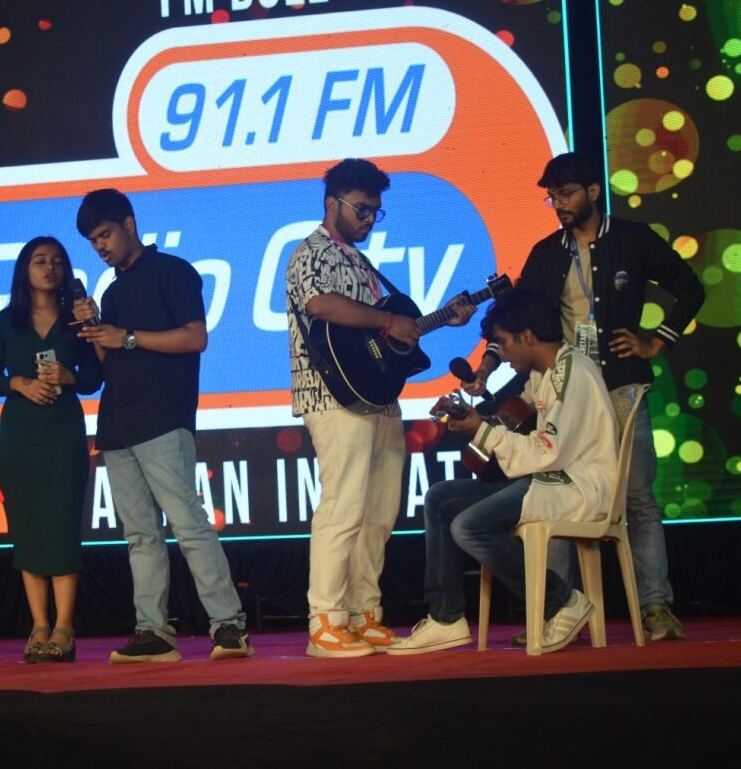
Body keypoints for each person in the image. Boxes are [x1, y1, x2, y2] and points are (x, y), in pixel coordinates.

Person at [462, 152, 704, 642]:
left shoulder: (634, 239)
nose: (558, 204)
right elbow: (515, 316)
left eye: (566, 194)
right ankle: (559, 611)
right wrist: (487, 364)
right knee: (551, 487)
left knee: (637, 496)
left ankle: (656, 606)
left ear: (593, 191)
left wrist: (654, 342)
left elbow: (690, 289)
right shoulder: (547, 253)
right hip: (566, 388)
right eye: (552, 197)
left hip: (620, 383)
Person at [284, 158, 475, 658]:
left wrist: (437, 320)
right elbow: (321, 304)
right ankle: (325, 621)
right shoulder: (311, 252)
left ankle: (362, 612)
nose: (370, 219)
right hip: (333, 396)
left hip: (377, 397)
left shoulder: (361, 262)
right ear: (332, 204)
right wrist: (388, 322)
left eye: (375, 212)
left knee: (379, 512)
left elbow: (380, 336)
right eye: (362, 210)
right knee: (344, 507)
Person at [71, 188, 252, 663]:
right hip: (117, 422)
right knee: (139, 536)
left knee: (188, 524)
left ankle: (229, 625)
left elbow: (196, 337)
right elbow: (109, 362)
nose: (100, 246)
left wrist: (126, 337)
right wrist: (96, 330)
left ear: (129, 224)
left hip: (163, 417)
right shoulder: (111, 292)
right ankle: (153, 631)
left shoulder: (174, 271)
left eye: (105, 234)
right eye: (93, 241)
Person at [388, 287, 617, 655]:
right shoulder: (545, 373)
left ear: (527, 336)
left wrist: (482, 429)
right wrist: (476, 421)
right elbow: (518, 423)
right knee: (440, 498)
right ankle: (446, 618)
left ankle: (562, 601)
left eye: (503, 343)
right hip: (547, 479)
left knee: (469, 526)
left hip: (573, 484)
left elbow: (547, 453)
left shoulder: (571, 373)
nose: (502, 354)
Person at [0, 237, 102, 663]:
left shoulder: (76, 319)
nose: (50, 268)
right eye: (39, 261)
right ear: (24, 270)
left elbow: (94, 377)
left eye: (57, 261)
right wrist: (18, 383)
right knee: (28, 527)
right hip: (21, 435)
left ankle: (64, 627)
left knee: (62, 525)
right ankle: (39, 626)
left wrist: (69, 376)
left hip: (63, 432)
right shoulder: (6, 321)